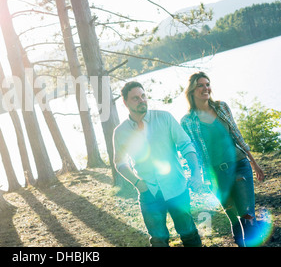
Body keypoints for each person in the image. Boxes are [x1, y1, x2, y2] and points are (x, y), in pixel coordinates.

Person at [113, 81, 203, 247]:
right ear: (125, 103)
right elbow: (120, 163)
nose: (142, 100)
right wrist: (139, 184)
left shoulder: (165, 117)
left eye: (143, 96)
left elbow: (186, 145)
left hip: (177, 187)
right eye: (135, 98)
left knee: (189, 234)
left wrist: (195, 173)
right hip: (149, 194)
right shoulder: (120, 132)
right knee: (158, 240)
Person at [181, 71, 265, 247]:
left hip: (239, 165)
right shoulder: (188, 121)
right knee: (234, 219)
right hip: (215, 175)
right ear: (191, 91)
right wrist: (197, 176)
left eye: (207, 84)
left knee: (247, 216)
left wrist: (254, 163)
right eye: (200, 85)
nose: (206, 88)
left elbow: (237, 135)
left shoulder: (221, 107)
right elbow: (192, 151)